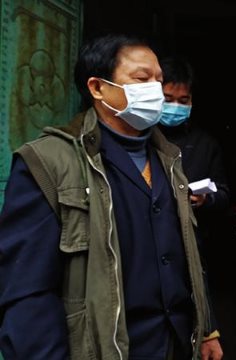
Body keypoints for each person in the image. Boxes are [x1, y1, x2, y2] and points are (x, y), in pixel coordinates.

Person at [0, 34, 221, 359]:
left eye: (158, 80)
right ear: (97, 87)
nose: (155, 91)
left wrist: (205, 329)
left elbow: (185, 256)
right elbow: (27, 293)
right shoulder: (47, 163)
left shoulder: (169, 160)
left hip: (172, 346)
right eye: (142, 79)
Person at [157, 57, 232, 358]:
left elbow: (225, 193)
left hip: (193, 245)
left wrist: (207, 199)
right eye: (167, 99)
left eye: (182, 100)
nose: (175, 106)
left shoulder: (204, 144)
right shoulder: (137, 141)